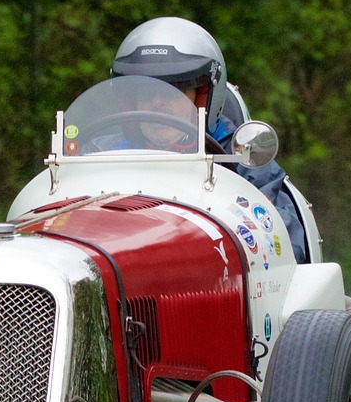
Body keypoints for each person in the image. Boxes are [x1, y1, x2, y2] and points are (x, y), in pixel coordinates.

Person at [110, 17, 308, 265]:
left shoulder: (242, 158)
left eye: (174, 91)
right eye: (147, 92)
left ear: (201, 97)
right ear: (130, 101)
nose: (158, 103)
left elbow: (287, 244)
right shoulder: (101, 154)